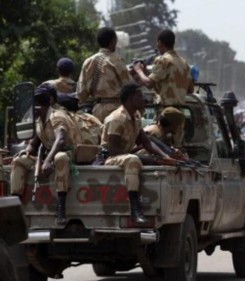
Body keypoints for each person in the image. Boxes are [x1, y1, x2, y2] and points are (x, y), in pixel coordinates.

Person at [101, 83, 179, 224]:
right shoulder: (117, 118)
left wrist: (165, 157)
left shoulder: (135, 116)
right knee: (133, 160)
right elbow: (113, 151)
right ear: (130, 99)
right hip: (109, 158)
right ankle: (135, 208)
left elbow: (146, 142)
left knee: (139, 158)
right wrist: (147, 159)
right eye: (139, 95)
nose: (143, 99)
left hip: (124, 157)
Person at [10, 83, 81, 225]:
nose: (33, 110)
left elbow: (60, 140)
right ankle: (15, 208)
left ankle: (61, 207)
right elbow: (34, 142)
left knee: (60, 157)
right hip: (48, 156)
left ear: (45, 105)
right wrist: (28, 150)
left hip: (66, 154)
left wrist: (47, 160)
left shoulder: (56, 115)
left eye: (36, 106)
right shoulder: (39, 120)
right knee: (18, 161)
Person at [132, 29, 194, 148]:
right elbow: (190, 89)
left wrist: (138, 70)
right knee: (176, 150)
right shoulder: (183, 62)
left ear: (160, 43)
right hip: (179, 115)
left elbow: (149, 83)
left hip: (165, 115)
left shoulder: (163, 59)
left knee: (160, 149)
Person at [77, 27, 134, 122]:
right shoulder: (116, 60)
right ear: (113, 41)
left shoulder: (88, 62)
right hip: (116, 110)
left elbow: (81, 94)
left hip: (97, 111)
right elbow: (130, 87)